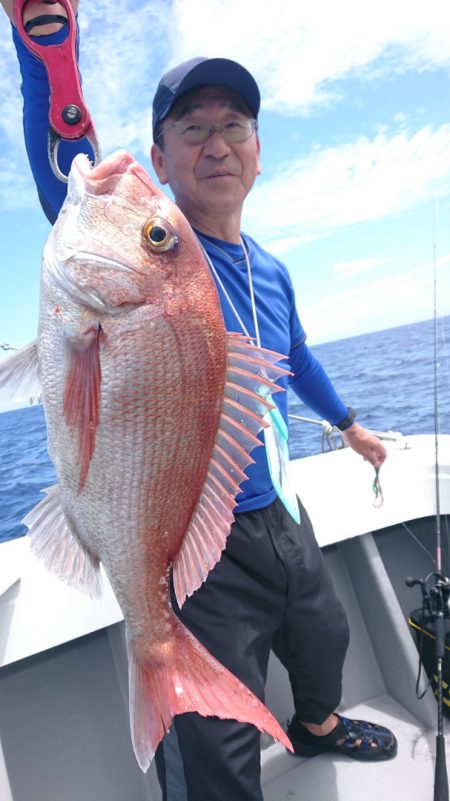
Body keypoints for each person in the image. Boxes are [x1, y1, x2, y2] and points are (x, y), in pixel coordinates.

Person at [2, 3, 397, 800]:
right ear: (160, 155)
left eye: (236, 126)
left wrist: (350, 426)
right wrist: (46, 46)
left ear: (257, 153)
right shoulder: (160, 253)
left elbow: (298, 358)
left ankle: (318, 723)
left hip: (279, 510)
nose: (217, 143)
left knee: (324, 634)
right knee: (213, 748)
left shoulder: (273, 269)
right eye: (192, 128)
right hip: (187, 545)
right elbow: (65, 157)